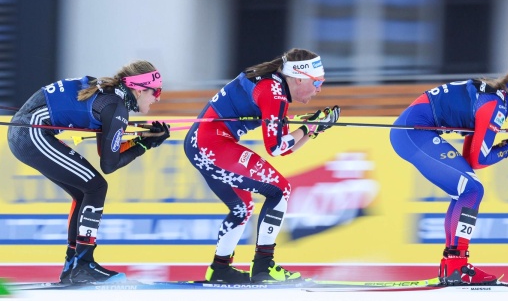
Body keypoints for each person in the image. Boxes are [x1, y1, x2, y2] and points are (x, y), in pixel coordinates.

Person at [184, 48, 340, 284]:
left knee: (242, 207)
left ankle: (220, 269)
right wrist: (309, 128)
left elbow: (286, 148)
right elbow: (275, 147)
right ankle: (263, 267)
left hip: (204, 143)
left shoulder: (277, 88)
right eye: (317, 82)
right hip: (212, 145)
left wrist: (315, 129)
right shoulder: (274, 93)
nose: (320, 89)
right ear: (299, 78)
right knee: (280, 190)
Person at [7, 60, 170, 284]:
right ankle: (83, 265)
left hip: (28, 132)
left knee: (85, 191)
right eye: (156, 91)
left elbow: (108, 153)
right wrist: (144, 145)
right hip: (31, 134)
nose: (158, 98)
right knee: (96, 186)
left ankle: (73, 267)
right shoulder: (116, 108)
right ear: (139, 89)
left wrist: (141, 140)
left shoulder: (111, 96)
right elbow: (110, 164)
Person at [389, 68, 508, 285]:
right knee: (472, 189)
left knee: (464, 191)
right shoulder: (494, 107)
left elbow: (471, 160)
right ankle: (457, 267)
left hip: (412, 131)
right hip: (413, 132)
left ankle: (451, 265)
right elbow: (479, 160)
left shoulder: (494, 101)